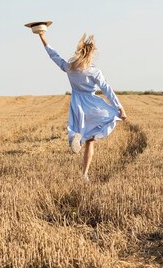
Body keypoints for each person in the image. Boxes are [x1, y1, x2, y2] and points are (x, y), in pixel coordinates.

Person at [37, 30, 127, 183]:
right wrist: (120, 108)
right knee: (91, 139)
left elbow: (54, 55)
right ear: (91, 54)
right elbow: (107, 89)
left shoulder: (70, 68)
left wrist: (42, 36)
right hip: (93, 106)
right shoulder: (94, 71)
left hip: (77, 104)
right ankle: (84, 173)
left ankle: (75, 139)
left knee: (75, 128)